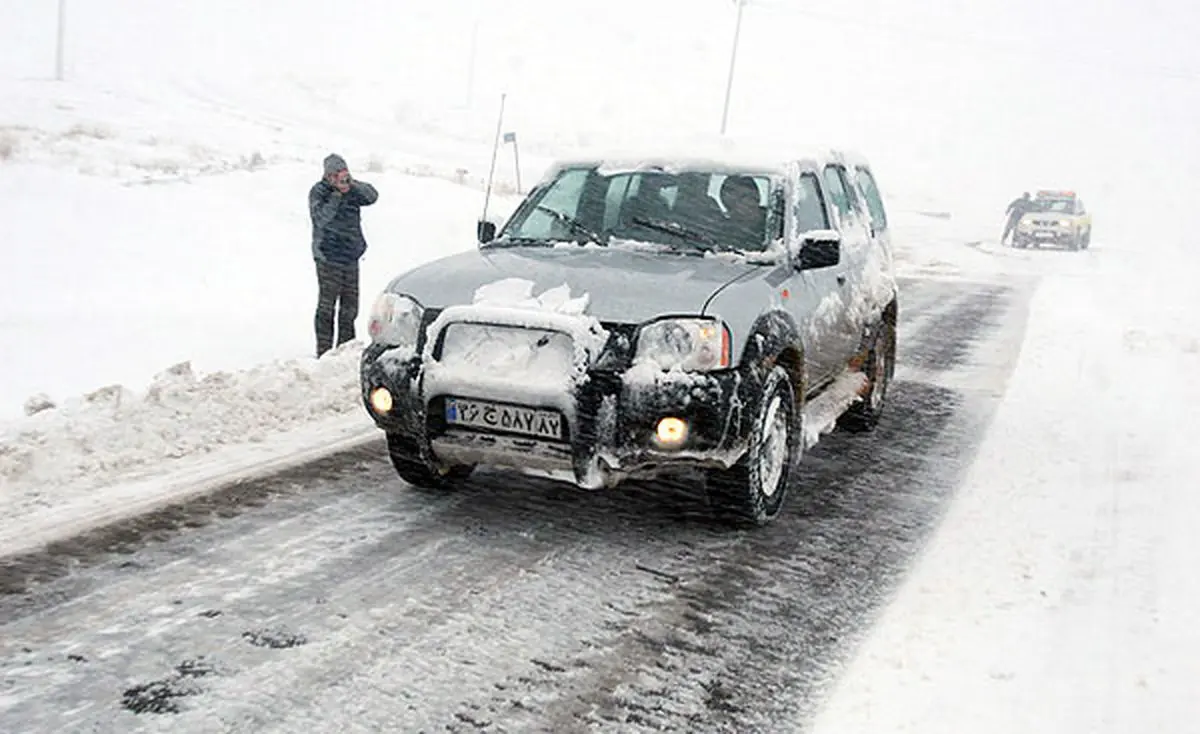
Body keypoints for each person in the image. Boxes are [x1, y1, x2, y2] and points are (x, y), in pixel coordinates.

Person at [309, 153, 378, 357]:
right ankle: (323, 352)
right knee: (326, 307)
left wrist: (352, 185)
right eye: (336, 176)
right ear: (328, 176)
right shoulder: (319, 192)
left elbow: (372, 196)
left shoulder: (352, 190)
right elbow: (321, 219)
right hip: (328, 258)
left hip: (350, 257)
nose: (342, 180)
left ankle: (345, 351)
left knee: (349, 308)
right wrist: (336, 195)